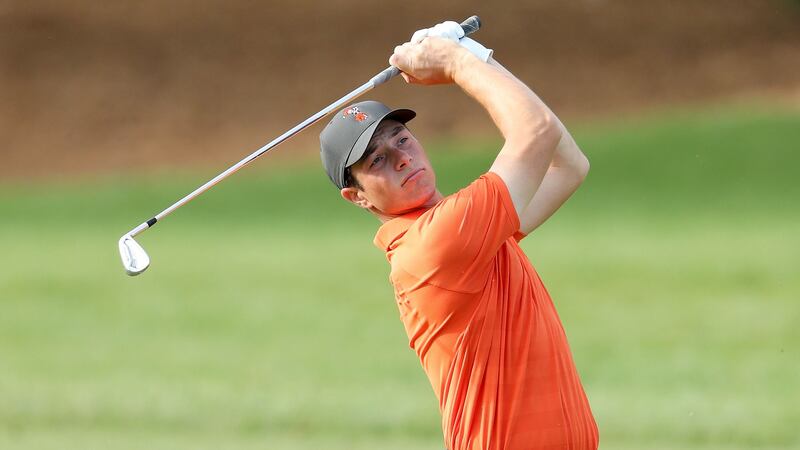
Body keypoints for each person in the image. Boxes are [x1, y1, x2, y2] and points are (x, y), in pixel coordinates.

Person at [319, 21, 598, 450]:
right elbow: (536, 133)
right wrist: (455, 60)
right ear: (356, 197)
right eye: (377, 160)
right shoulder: (438, 243)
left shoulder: (474, 233)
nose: (400, 158)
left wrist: (476, 55)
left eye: (402, 140)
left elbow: (568, 164)